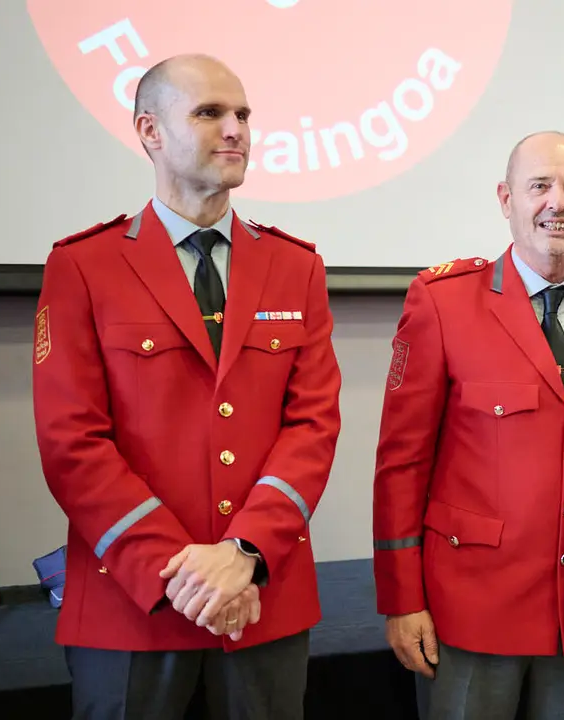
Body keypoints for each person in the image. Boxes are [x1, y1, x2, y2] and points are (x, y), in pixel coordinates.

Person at [31, 53, 342, 719]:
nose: (236, 130)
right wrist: (190, 575)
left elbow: (313, 427)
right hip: (130, 606)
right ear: (149, 130)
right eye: (208, 113)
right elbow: (71, 443)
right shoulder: (84, 266)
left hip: (261, 596)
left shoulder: (296, 267)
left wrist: (246, 552)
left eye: (243, 115)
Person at [371, 131, 564, 720]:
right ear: (506, 198)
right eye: (539, 187)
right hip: (472, 611)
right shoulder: (443, 301)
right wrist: (402, 600)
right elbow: (401, 464)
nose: (558, 202)